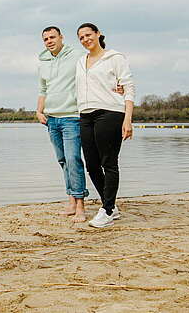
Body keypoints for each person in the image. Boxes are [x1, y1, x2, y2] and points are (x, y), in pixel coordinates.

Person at [75, 23, 135, 228]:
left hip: (110, 113)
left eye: (88, 35)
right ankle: (110, 205)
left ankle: (107, 210)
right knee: (91, 165)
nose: (85, 40)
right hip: (85, 115)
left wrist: (128, 119)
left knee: (108, 163)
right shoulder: (80, 62)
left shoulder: (115, 58)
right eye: (81, 37)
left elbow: (128, 87)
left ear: (98, 34)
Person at [36, 26, 89, 222]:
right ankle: (71, 201)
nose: (49, 41)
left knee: (74, 158)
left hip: (72, 117)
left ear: (61, 37)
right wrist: (39, 111)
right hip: (52, 119)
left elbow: (94, 71)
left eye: (52, 37)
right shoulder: (43, 62)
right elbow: (43, 89)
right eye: (45, 39)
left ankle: (81, 206)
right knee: (63, 160)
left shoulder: (77, 55)